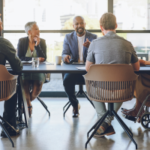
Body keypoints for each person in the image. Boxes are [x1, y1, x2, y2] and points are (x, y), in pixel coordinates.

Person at [86, 12, 140, 137]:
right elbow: (136, 68)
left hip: (100, 91)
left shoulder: (94, 43)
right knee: (123, 84)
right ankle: (106, 122)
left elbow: (88, 68)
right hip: (123, 91)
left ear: (101, 27)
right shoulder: (127, 44)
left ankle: (103, 119)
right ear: (116, 25)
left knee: (90, 81)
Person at [62, 16, 97, 117]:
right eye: (77, 24)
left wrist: (91, 46)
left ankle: (99, 106)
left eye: (81, 23)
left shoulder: (93, 37)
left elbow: (98, 55)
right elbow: (64, 53)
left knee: (98, 80)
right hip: (74, 69)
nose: (79, 25)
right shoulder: (68, 37)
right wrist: (66, 57)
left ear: (85, 24)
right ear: (73, 26)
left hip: (88, 69)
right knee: (66, 80)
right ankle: (75, 104)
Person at [17, 22, 46, 117]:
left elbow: (44, 57)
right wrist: (34, 59)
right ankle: (28, 105)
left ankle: (24, 103)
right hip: (25, 71)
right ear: (29, 31)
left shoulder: (42, 41)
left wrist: (37, 46)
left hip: (38, 71)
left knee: (36, 89)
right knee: (24, 83)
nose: (39, 31)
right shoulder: (22, 41)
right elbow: (19, 57)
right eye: (36, 29)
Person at [0, 19, 23, 137]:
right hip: (1, 90)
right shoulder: (3, 43)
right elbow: (18, 67)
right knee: (13, 85)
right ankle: (9, 127)